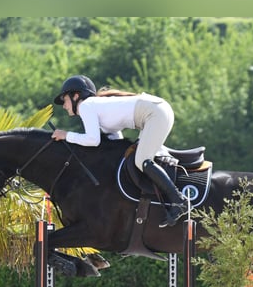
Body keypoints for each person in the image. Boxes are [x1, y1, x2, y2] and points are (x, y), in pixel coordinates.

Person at [51, 75, 188, 227]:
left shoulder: (86, 105)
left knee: (141, 160)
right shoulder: (96, 108)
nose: (63, 106)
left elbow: (93, 140)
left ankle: (179, 201)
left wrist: (66, 135)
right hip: (158, 111)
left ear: (76, 96)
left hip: (155, 114)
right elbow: (116, 143)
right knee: (136, 159)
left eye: (65, 100)